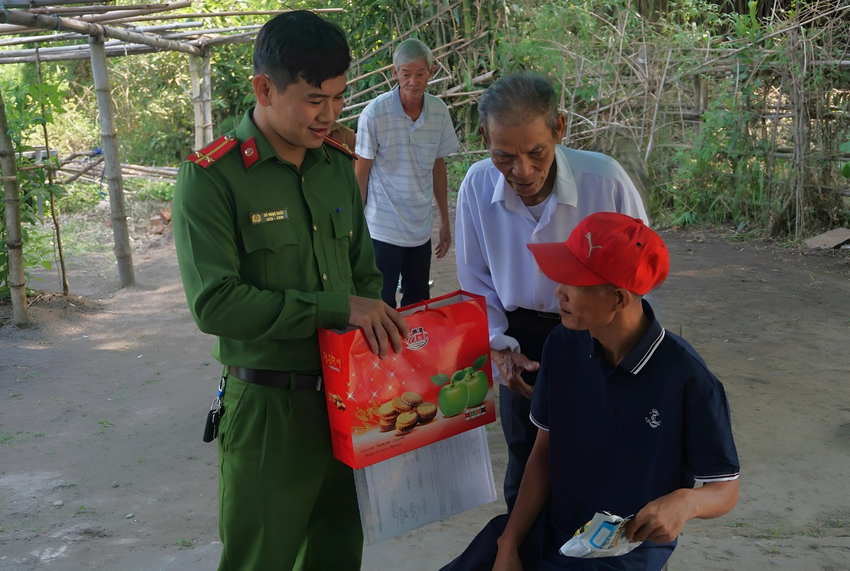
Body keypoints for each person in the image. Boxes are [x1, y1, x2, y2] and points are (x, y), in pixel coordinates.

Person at [171, 11, 408, 571]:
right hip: (269, 410)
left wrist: (375, 324)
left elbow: (364, 274)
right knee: (261, 559)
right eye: (312, 100)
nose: (329, 115)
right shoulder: (212, 177)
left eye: (338, 98)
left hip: (348, 398)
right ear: (264, 88)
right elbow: (215, 304)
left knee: (337, 552)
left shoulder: (336, 167)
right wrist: (336, 308)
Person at [443, 212, 741, 571]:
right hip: (553, 528)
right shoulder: (562, 345)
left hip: (621, 551)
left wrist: (683, 503)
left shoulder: (687, 380)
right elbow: (543, 453)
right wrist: (509, 541)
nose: (558, 292)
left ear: (617, 299)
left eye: (574, 282)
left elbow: (725, 488)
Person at [455, 73, 648, 512]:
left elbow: (637, 275)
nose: (521, 171)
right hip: (519, 338)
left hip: (597, 334)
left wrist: (622, 353)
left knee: (602, 458)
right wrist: (500, 350)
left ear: (559, 128)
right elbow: (475, 282)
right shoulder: (476, 186)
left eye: (536, 152)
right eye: (504, 156)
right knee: (526, 465)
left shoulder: (606, 182)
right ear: (484, 137)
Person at [354, 38, 459, 308]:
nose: (413, 81)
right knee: (379, 304)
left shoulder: (439, 111)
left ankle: (413, 352)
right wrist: (356, 227)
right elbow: (361, 172)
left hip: (420, 231)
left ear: (431, 72)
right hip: (382, 229)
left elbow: (438, 165)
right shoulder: (374, 114)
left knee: (418, 304)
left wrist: (444, 220)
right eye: (406, 74)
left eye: (420, 74)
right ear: (394, 72)